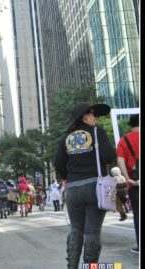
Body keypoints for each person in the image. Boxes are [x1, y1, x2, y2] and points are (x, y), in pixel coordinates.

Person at [55, 102, 116, 268]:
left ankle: (72, 266)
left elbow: (58, 165)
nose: (95, 117)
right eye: (93, 114)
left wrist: (71, 177)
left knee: (75, 229)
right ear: (85, 116)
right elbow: (110, 156)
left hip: (73, 189)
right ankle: (90, 267)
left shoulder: (65, 137)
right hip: (94, 187)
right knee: (92, 232)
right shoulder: (97, 132)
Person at [116, 113, 139, 254]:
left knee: (138, 215)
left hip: (135, 183)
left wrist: (127, 178)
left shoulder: (124, 141)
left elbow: (120, 160)